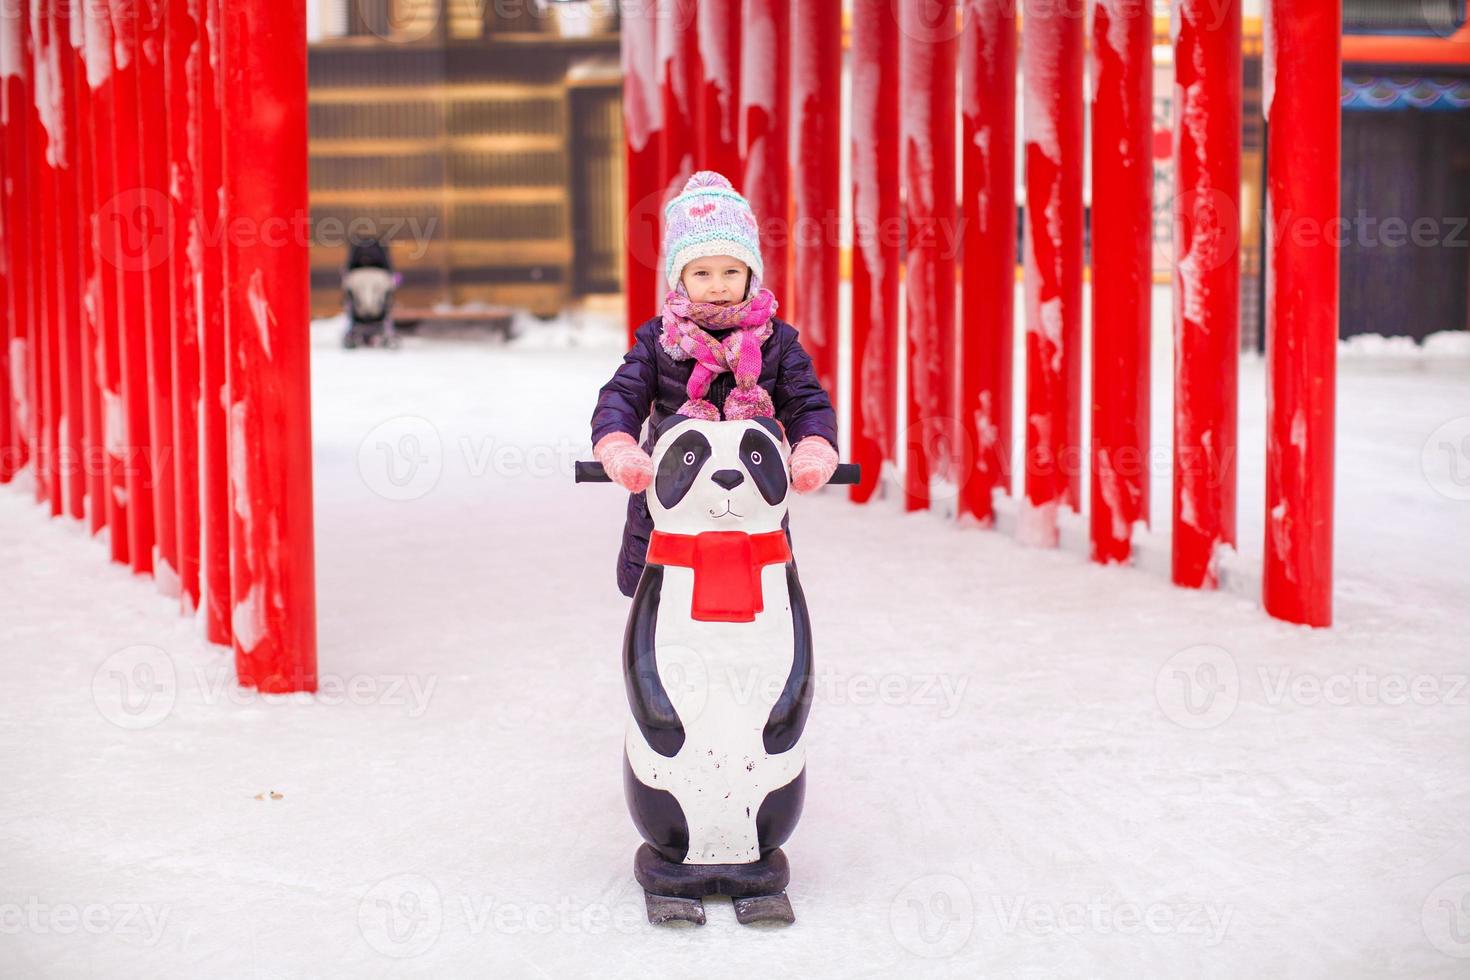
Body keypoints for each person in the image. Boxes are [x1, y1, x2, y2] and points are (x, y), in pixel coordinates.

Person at [590, 171, 839, 597]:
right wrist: (618, 443)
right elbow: (623, 393)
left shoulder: (777, 341)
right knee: (659, 587)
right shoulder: (659, 340)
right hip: (673, 484)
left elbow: (806, 402)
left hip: (750, 488)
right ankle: (654, 651)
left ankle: (768, 652)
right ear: (680, 277)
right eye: (702, 273)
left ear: (750, 274)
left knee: (764, 583)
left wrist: (813, 445)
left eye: (730, 270)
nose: (718, 285)